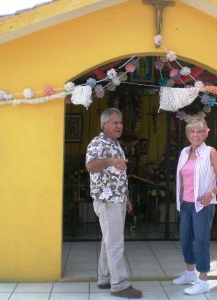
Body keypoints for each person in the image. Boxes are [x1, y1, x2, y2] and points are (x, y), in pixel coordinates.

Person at [86, 108, 142, 299]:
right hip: (106, 200)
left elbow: (119, 174)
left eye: (120, 123)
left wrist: (125, 197)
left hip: (117, 199)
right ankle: (119, 284)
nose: (119, 126)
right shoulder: (97, 142)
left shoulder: (116, 144)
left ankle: (104, 278)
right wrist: (110, 160)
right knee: (115, 243)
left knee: (109, 240)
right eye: (115, 123)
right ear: (105, 124)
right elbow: (90, 166)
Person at [173, 116, 217, 295]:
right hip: (186, 205)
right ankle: (190, 273)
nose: (195, 134)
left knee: (201, 242)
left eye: (199, 131)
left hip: (203, 206)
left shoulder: (210, 152)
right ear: (188, 134)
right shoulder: (184, 152)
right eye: (192, 131)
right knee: (184, 239)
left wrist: (211, 194)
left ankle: (203, 280)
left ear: (205, 134)